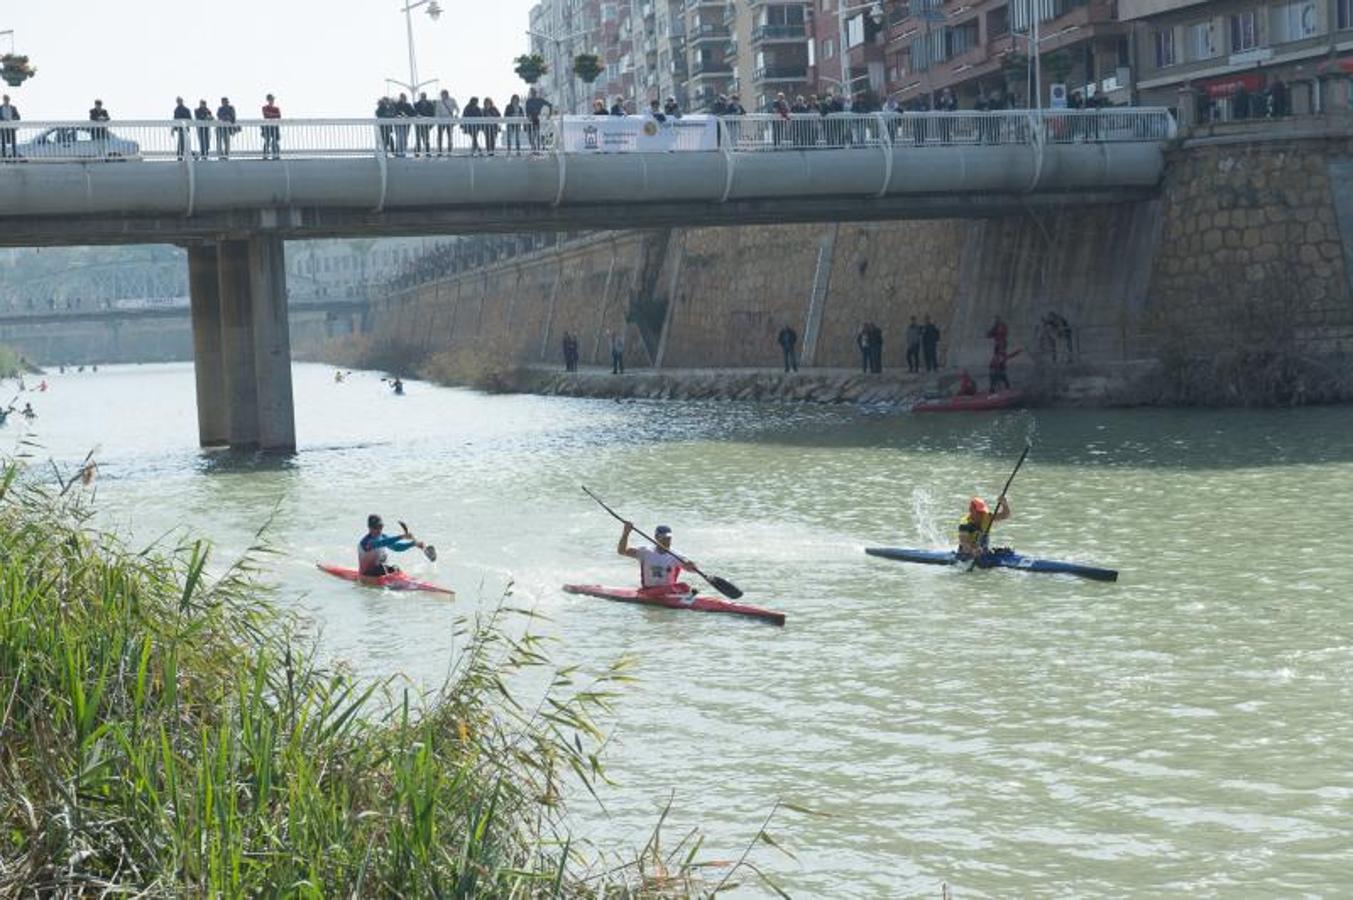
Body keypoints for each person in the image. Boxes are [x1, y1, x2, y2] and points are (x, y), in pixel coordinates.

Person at [617, 521, 691, 592]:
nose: (667, 541)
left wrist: (691, 565)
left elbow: (692, 569)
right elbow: (622, 551)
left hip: (668, 591)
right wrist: (626, 533)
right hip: (648, 591)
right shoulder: (645, 551)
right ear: (656, 537)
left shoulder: (676, 555)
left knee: (685, 586)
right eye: (664, 538)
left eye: (669, 538)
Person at [357, 514, 424, 577]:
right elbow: (381, 543)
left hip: (381, 570)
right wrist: (401, 537)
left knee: (395, 568)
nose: (379, 530)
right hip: (366, 574)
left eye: (380, 526)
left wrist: (412, 544)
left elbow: (396, 547)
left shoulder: (383, 537)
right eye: (375, 527)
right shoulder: (366, 542)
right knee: (382, 569)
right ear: (369, 527)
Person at [957, 496, 1010, 560]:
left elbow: (1005, 515)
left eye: (982, 511)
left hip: (983, 551)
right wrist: (973, 550)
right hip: (966, 553)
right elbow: (964, 543)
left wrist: (1004, 504)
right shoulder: (964, 525)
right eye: (979, 512)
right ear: (971, 510)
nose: (982, 514)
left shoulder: (987, 516)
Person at [524, 88, 552, 152]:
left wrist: (549, 115)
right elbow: (527, 112)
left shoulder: (539, 100)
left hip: (536, 120)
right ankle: (535, 148)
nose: (533, 94)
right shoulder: (529, 101)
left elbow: (550, 105)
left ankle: (538, 148)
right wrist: (529, 116)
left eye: (534, 93)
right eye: (532, 93)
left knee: (537, 134)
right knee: (532, 136)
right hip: (531, 121)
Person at [436, 89, 460, 155]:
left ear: (447, 94)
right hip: (441, 120)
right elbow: (437, 111)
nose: (442, 96)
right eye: (442, 94)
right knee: (440, 136)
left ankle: (450, 150)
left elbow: (457, 109)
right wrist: (437, 120)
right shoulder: (439, 102)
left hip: (449, 119)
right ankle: (440, 150)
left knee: (449, 135)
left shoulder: (452, 100)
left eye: (443, 94)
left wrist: (456, 115)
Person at [413, 91, 435, 157]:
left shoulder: (430, 104)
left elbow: (432, 114)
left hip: (426, 124)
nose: (423, 97)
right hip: (418, 124)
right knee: (418, 139)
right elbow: (414, 113)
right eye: (422, 96)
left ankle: (427, 152)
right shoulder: (416, 104)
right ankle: (417, 152)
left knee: (426, 139)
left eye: (424, 96)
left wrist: (430, 124)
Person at [261, 94, 282, 159]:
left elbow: (279, 116)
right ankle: (265, 156)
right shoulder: (264, 108)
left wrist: (271, 115)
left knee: (275, 141)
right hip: (267, 127)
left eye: (272, 99)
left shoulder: (276, 108)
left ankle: (276, 155)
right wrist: (274, 115)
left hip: (275, 127)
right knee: (267, 141)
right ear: (268, 100)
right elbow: (266, 115)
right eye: (270, 99)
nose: (272, 101)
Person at [0, 95, 18, 160]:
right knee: (3, 143)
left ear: (9, 100)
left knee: (13, 142)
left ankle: (14, 156)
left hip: (12, 127)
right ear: (3, 100)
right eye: (5, 99)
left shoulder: (13, 108)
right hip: (3, 128)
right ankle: (4, 157)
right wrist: (3, 120)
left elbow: (18, 116)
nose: (6, 100)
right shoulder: (0, 108)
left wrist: (13, 120)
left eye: (7, 99)